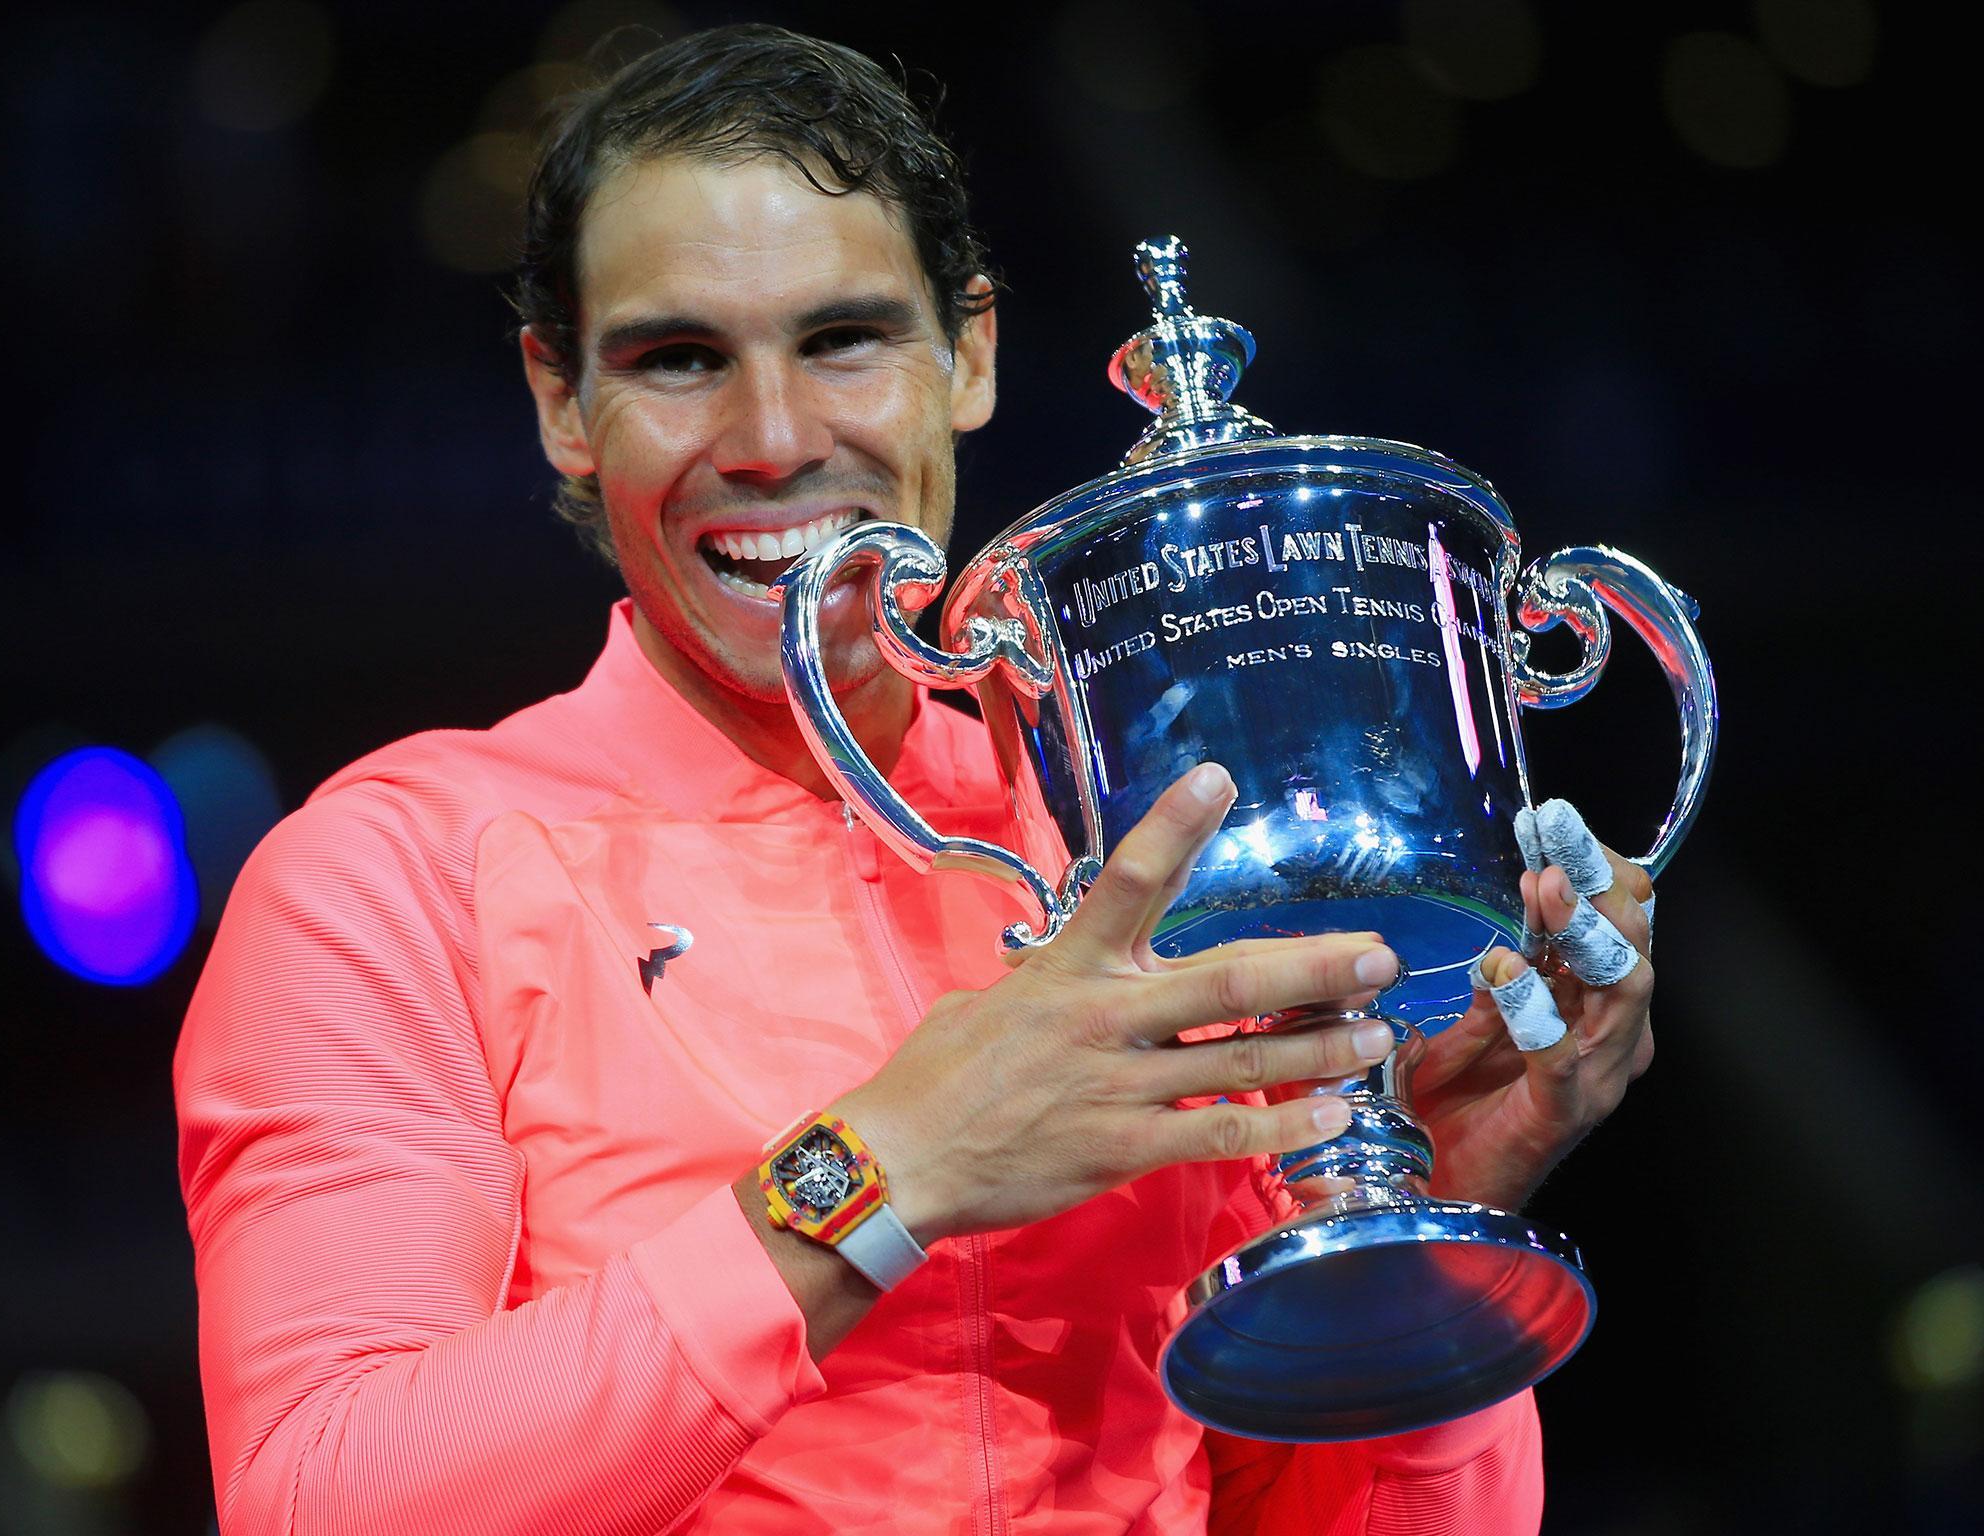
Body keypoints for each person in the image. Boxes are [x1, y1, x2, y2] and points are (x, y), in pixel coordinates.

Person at [175, 24, 1658, 1535]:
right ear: (562, 404)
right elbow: (321, 1498)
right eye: (679, 359)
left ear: (974, 355)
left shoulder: (1146, 846)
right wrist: (879, 1174)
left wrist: (1414, 1231)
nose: (771, 441)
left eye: (845, 341)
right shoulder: (390, 876)